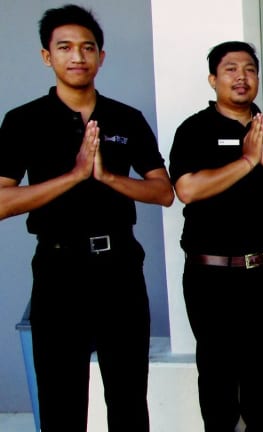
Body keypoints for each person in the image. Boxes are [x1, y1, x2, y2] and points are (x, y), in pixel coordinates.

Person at [0, 4, 174, 432]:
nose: (77, 56)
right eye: (65, 47)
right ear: (47, 56)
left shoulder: (125, 118)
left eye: (87, 47)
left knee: (128, 398)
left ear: (101, 56)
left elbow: (164, 192)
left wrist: (109, 177)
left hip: (120, 269)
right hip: (59, 271)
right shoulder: (23, 121)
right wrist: (75, 175)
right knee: (61, 402)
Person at [169, 41, 263, 432]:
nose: (242, 77)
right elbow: (187, 189)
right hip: (212, 276)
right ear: (213, 79)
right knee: (217, 373)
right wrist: (248, 161)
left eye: (250, 69)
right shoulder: (194, 130)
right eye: (231, 69)